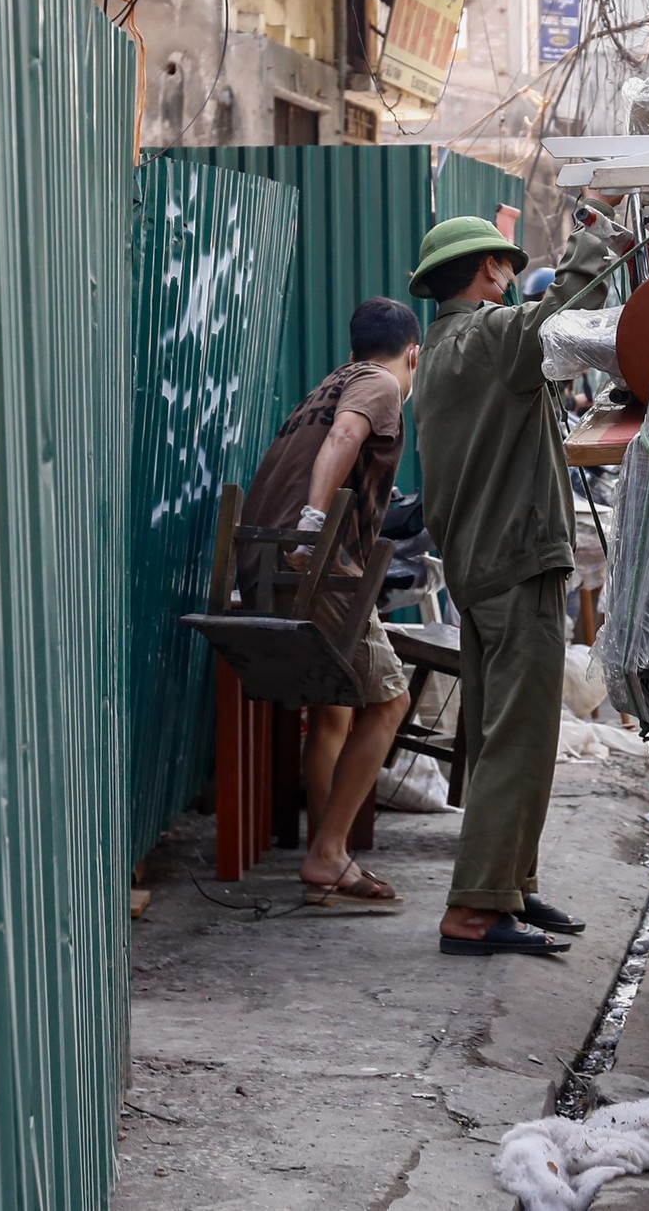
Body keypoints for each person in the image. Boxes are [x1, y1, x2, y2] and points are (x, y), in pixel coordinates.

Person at [410, 198, 618, 955]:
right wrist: (598, 244)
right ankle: (474, 910)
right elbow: (555, 319)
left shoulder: (441, 348)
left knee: (509, 731)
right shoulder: (489, 337)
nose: (511, 272)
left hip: (482, 562)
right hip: (512, 559)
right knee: (516, 739)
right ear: (491, 271)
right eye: (507, 261)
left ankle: (507, 887)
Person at [239, 298, 422, 906]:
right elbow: (346, 436)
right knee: (391, 702)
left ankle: (329, 850)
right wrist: (316, 524)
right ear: (413, 355)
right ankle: (327, 854)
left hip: (263, 558)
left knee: (334, 709)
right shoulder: (378, 384)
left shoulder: (332, 381)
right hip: (315, 562)